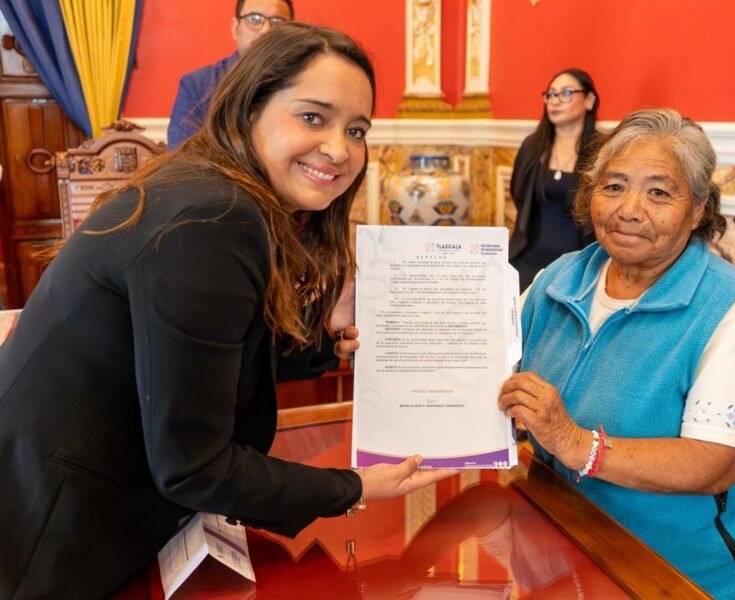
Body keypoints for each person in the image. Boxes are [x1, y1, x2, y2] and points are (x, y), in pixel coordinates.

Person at [0, 24, 452, 599]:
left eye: (356, 129)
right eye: (313, 117)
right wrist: (354, 486)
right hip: (49, 528)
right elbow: (195, 466)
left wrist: (321, 346)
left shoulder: (213, 190)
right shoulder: (214, 217)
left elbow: (205, 357)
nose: (340, 149)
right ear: (249, 109)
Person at [499, 109, 735, 599]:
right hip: (560, 529)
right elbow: (489, 364)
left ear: (698, 209)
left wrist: (576, 443)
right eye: (613, 186)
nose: (629, 208)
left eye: (659, 192)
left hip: (679, 566)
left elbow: (714, 464)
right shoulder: (560, 278)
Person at [509, 68, 600, 290]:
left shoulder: (600, 150)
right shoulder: (532, 146)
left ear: (589, 100)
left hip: (577, 265)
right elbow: (517, 194)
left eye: (566, 93)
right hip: (527, 259)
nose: (555, 101)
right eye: (550, 94)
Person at [167, 0, 295, 149]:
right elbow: (182, 160)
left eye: (278, 21)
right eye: (254, 19)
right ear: (235, 28)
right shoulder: (198, 86)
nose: (266, 30)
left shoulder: (304, 82)